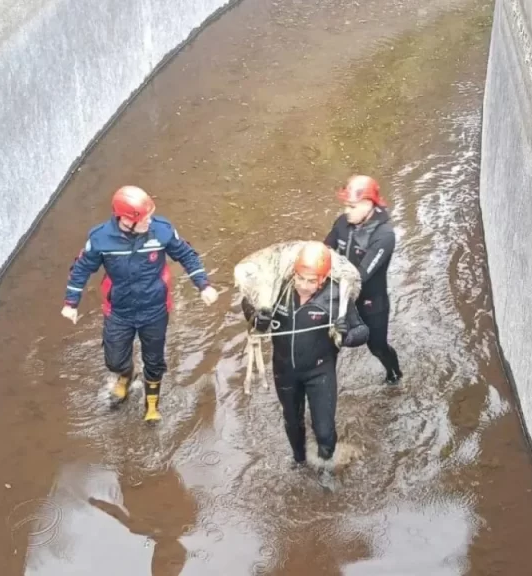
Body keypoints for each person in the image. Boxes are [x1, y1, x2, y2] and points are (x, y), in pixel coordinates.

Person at [61, 185, 219, 423]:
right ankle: (125, 376)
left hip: (154, 309)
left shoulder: (161, 231)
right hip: (119, 311)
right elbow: (82, 267)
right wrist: (71, 302)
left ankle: (151, 404)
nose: (149, 221)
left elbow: (186, 254)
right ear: (126, 219)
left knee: (154, 361)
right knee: (114, 360)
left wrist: (203, 285)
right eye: (144, 218)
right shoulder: (100, 239)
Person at [241, 241, 369, 485]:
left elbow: (362, 331)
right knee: (292, 420)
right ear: (293, 273)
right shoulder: (275, 290)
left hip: (319, 371)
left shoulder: (336, 296)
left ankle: (326, 470)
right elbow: (249, 309)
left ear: (323, 279)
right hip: (284, 370)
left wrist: (347, 335)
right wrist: (259, 319)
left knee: (324, 429)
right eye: (301, 278)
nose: (305, 286)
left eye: (313, 281)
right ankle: (298, 462)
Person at [323, 174, 403, 385]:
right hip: (341, 294)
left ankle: (394, 376)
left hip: (371, 301)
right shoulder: (342, 222)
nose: (346, 211)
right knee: (328, 344)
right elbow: (325, 251)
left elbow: (360, 276)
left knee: (377, 347)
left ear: (368, 204)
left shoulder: (384, 235)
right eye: (346, 206)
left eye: (352, 206)